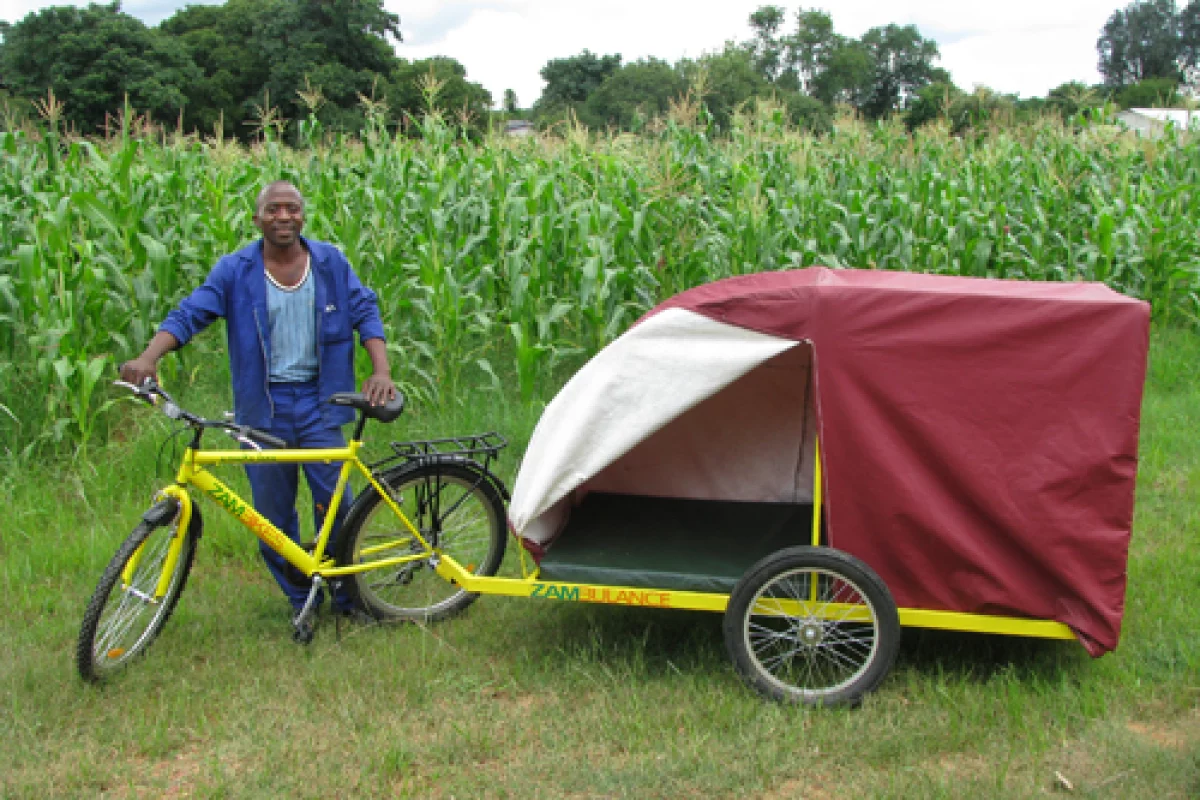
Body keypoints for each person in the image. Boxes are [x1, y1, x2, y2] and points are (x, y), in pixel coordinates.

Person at [120, 180, 396, 628]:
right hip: (262, 409)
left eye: (291, 209)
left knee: (338, 507)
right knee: (270, 517)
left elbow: (365, 310)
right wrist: (150, 356)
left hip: (321, 404)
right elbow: (191, 313)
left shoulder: (330, 263)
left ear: (302, 216)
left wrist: (380, 369)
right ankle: (301, 601)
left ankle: (349, 598)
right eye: (272, 209)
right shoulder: (236, 271)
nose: (283, 217)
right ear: (257, 219)